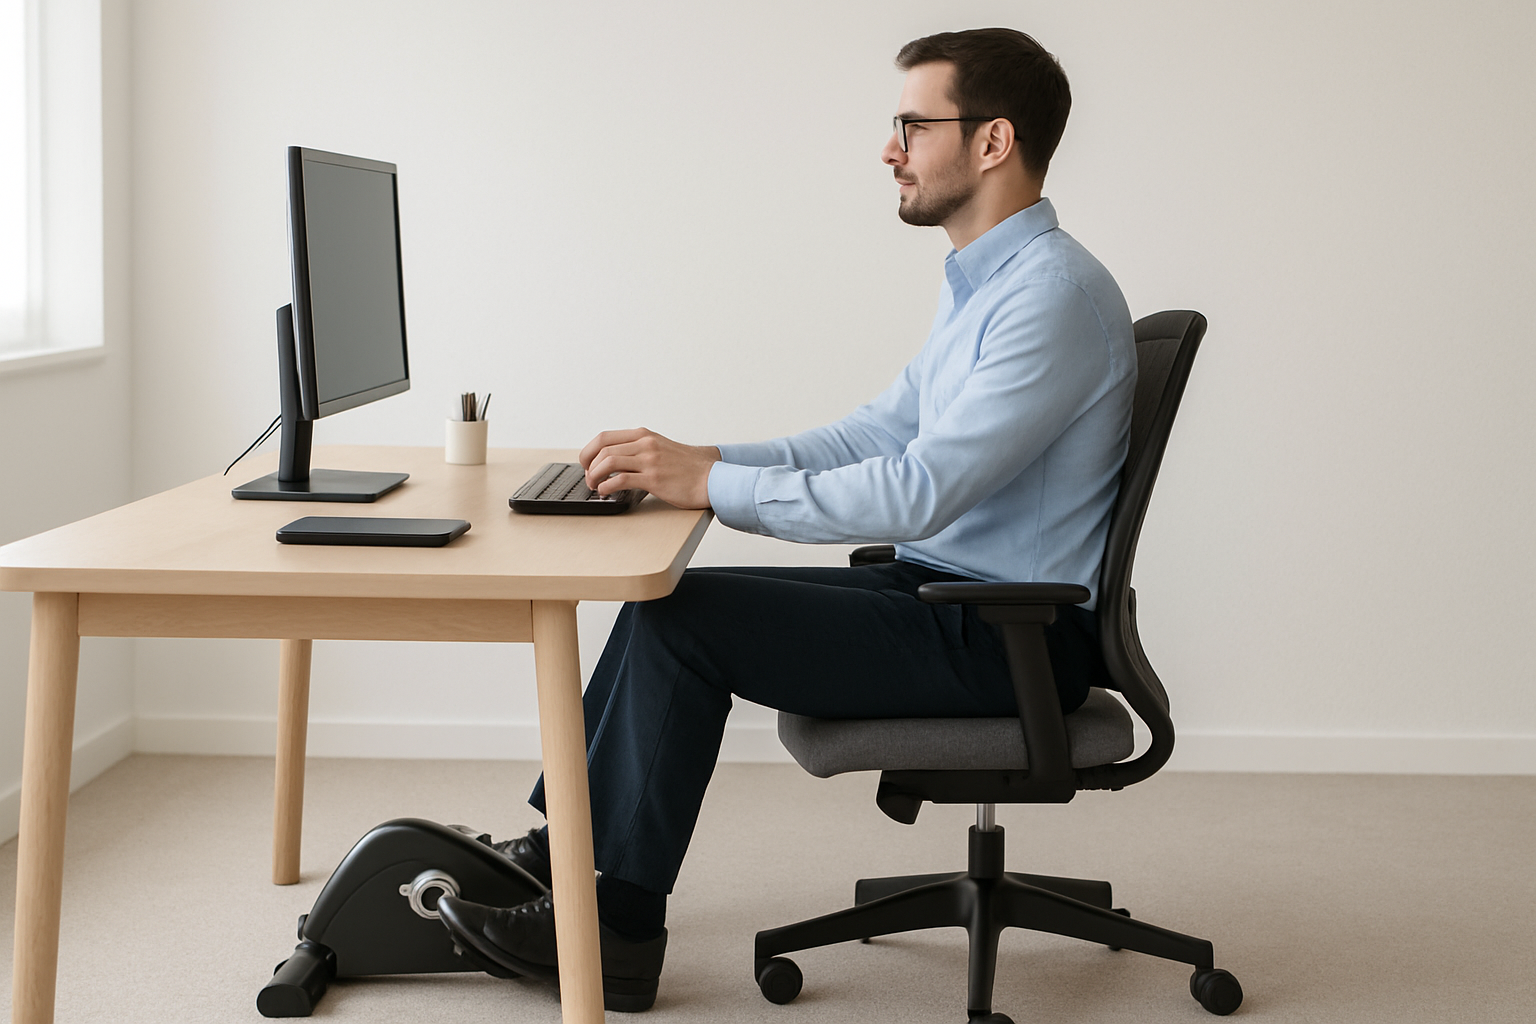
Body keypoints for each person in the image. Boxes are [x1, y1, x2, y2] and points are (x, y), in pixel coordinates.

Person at [438, 27, 1136, 1011]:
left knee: (682, 624)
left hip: (1007, 631)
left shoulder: (1049, 297)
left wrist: (710, 488)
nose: (888, 148)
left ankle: (616, 932)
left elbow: (917, 488)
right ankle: (562, 858)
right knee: (671, 601)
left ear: (992, 142)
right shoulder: (991, 284)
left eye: (911, 124)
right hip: (948, 595)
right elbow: (873, 432)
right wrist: (704, 463)